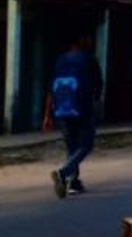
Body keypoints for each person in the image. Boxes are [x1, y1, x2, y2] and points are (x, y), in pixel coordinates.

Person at [42, 32, 104, 199]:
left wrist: (47, 115)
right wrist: (97, 106)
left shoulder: (60, 60)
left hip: (62, 109)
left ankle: (73, 182)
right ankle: (63, 173)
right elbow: (98, 85)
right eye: (88, 37)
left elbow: (51, 89)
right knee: (86, 145)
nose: (91, 40)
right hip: (83, 109)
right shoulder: (88, 59)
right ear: (81, 40)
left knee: (72, 146)